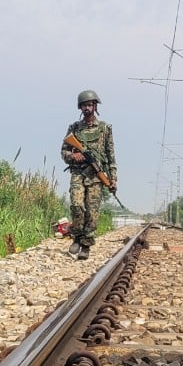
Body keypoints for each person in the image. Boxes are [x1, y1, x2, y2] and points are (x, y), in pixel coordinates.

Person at [60, 89, 117, 261]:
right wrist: (72, 156)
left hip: (95, 176)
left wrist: (113, 178)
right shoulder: (74, 128)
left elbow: (111, 155)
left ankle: (86, 245)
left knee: (92, 211)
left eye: (90, 104)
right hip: (78, 173)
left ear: (95, 106)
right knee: (77, 206)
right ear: (80, 108)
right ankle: (77, 236)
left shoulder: (105, 129)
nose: (87, 108)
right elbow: (63, 152)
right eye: (84, 105)